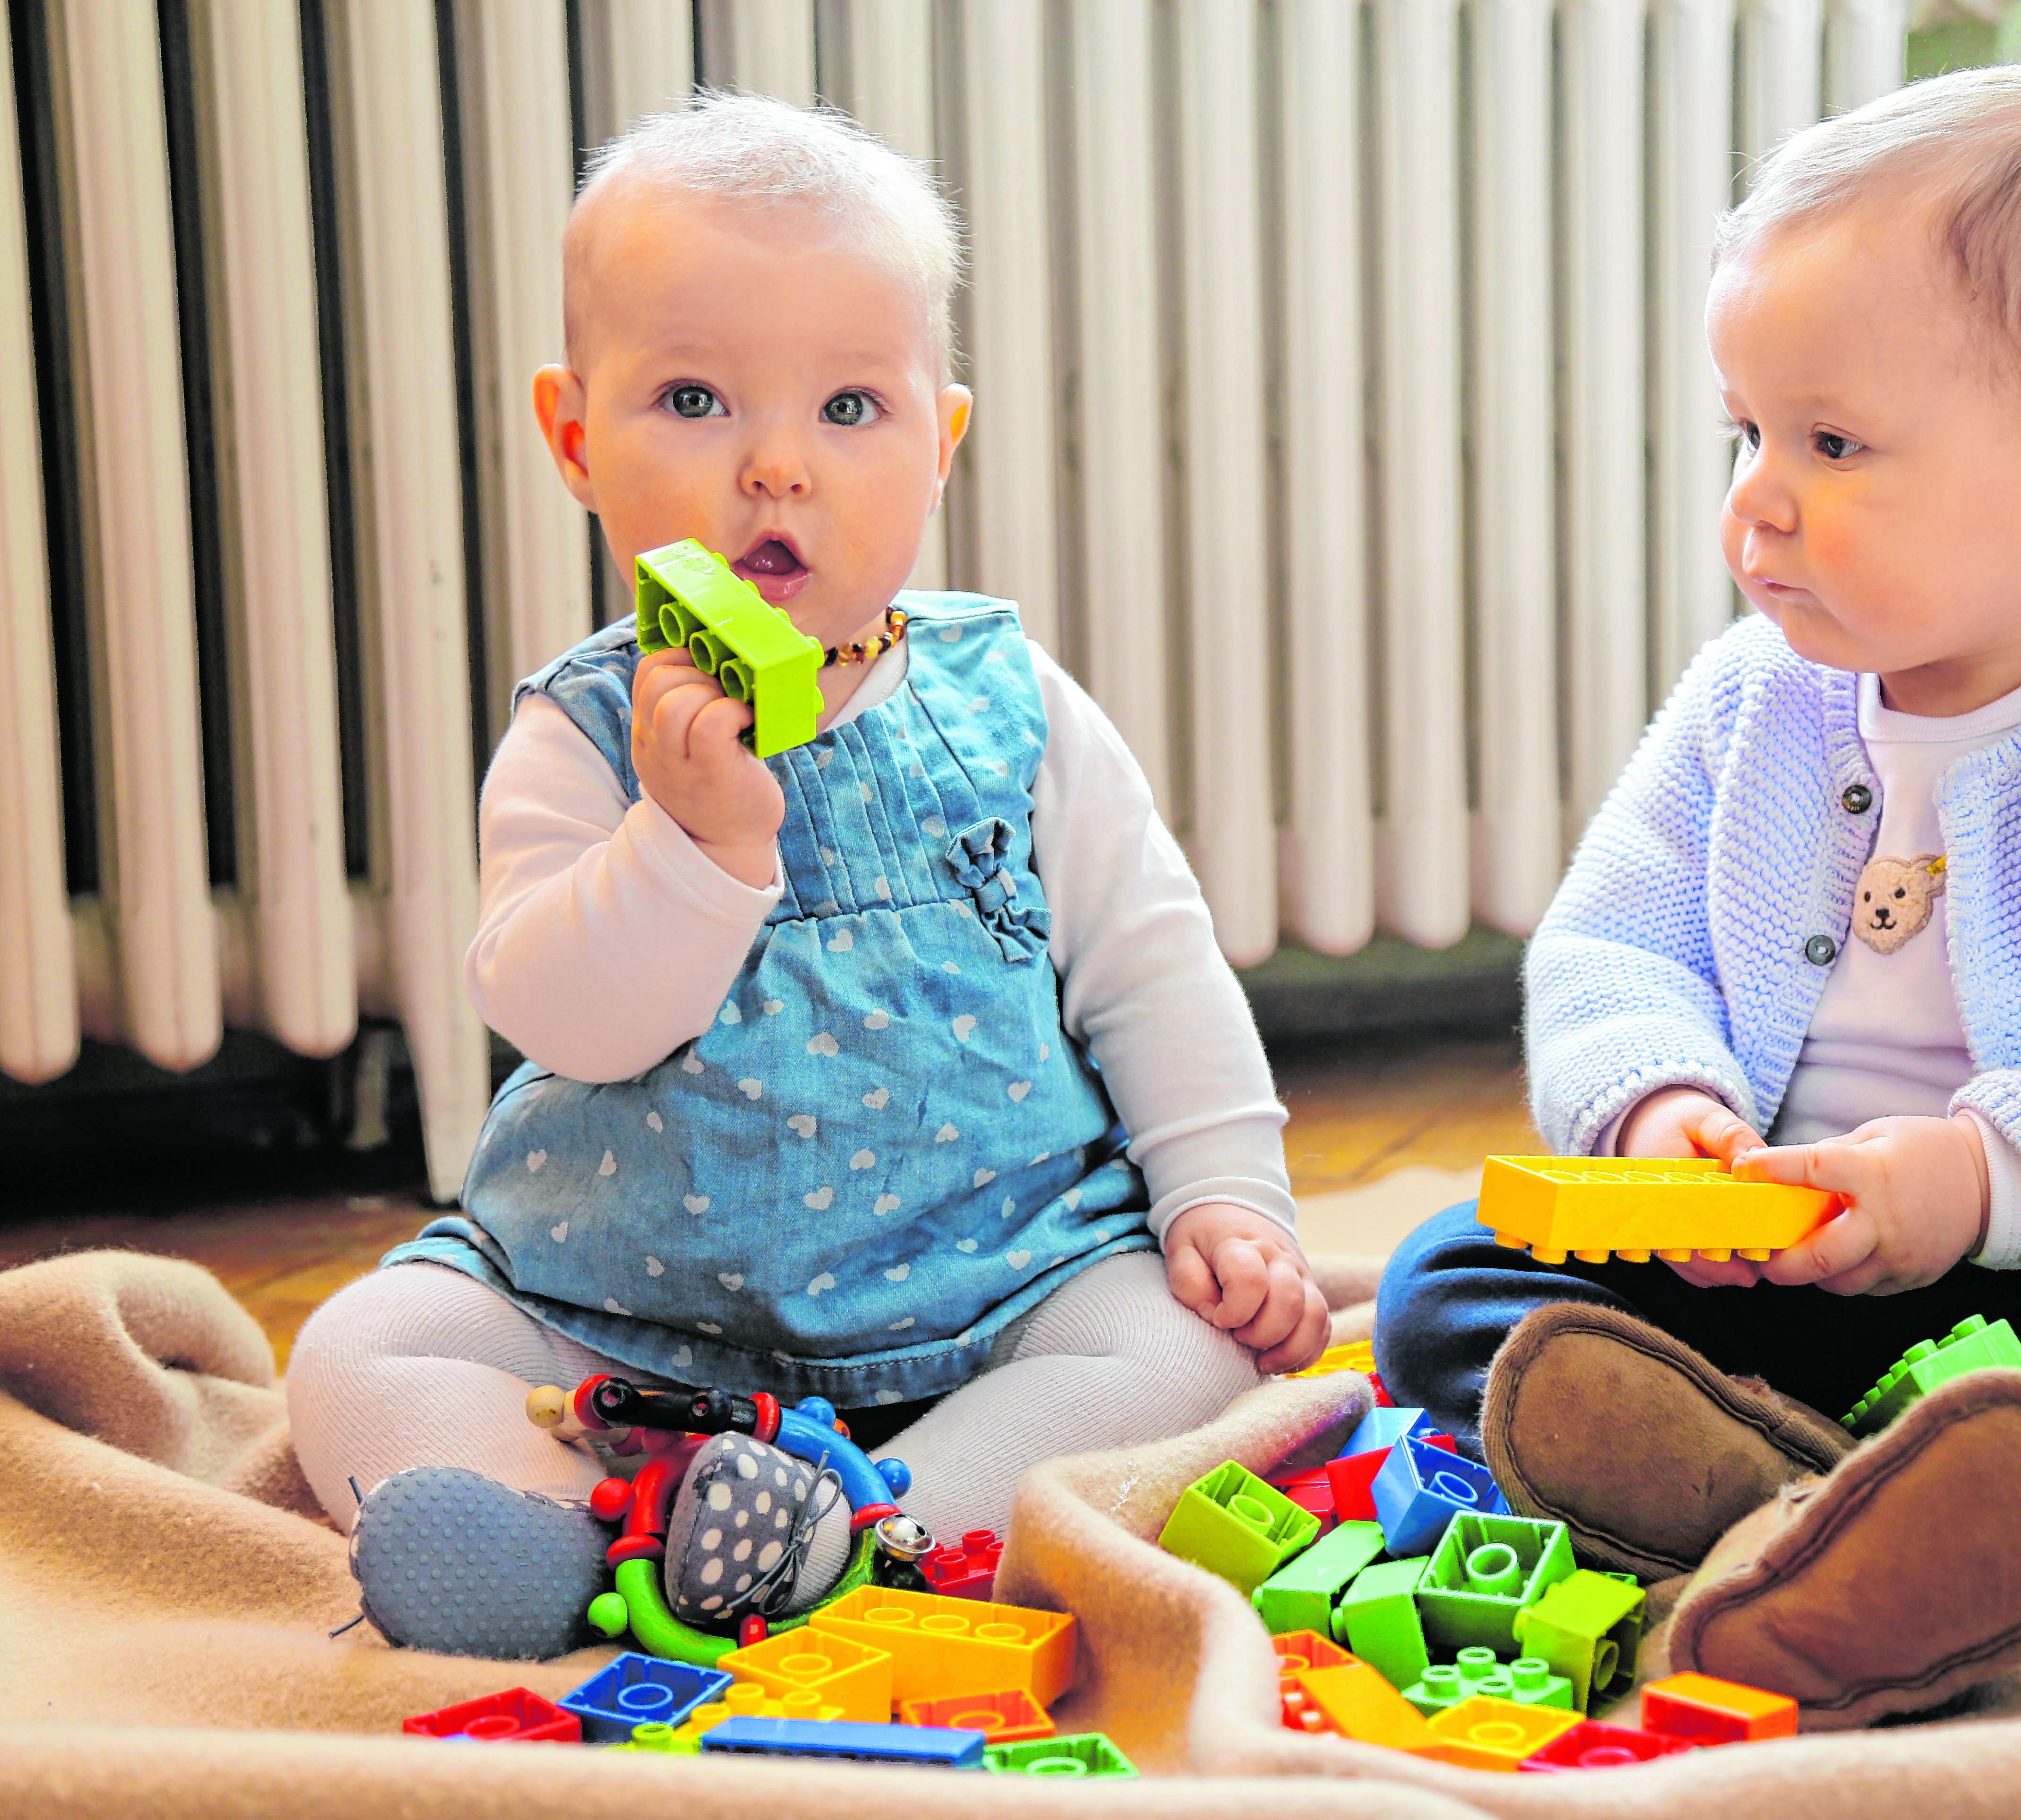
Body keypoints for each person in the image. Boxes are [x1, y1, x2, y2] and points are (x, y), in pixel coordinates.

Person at [1378, 64, 2021, 1726]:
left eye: (1833, 443)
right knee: (1445, 1280)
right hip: (1790, 1277)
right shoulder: (1747, 701)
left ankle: (1943, 1517)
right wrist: (1660, 1112)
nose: (1755, 497)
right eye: (1749, 432)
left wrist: (1984, 1179)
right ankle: (1788, 1500)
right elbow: (1617, 941)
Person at [285, 92, 1325, 1654]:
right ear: (577, 438)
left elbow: (1154, 970)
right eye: (694, 400)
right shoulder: (583, 733)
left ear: (939, 444)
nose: (777, 467)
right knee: (366, 1345)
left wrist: (1227, 1201)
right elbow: (564, 1020)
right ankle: (546, 1531)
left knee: (1177, 1351)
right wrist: (691, 845)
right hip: (615, 1310)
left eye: (848, 408)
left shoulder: (1013, 705)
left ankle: (855, 1534)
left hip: (994, 1287)